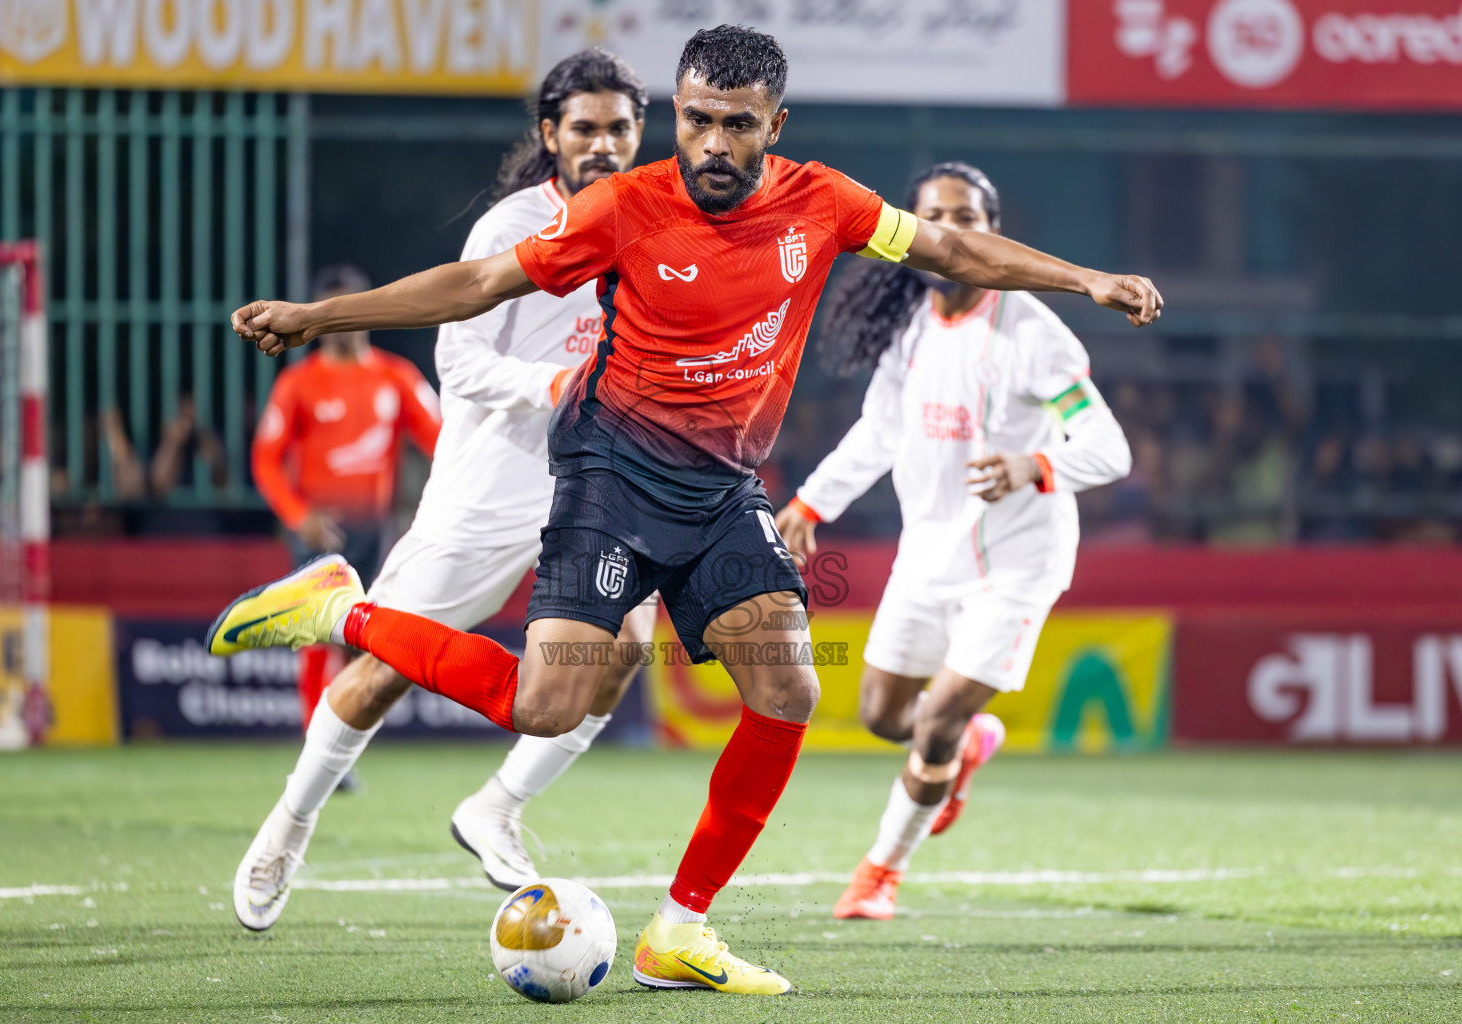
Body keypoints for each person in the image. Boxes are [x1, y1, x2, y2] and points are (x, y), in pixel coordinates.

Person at [210, 26, 1162, 995]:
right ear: (678, 113)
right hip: (611, 479)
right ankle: (341, 609)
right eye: (696, 119)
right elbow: (479, 283)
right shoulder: (627, 204)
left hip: (718, 491)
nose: (711, 142)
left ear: (773, 127)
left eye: (735, 125)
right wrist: (323, 316)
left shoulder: (821, 201)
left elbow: (953, 246)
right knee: (547, 702)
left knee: (789, 688)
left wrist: (1084, 279)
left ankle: (680, 930)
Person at [228, 48, 657, 924]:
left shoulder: (655, 224)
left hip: (593, 493)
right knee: (384, 670)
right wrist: (554, 389)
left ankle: (498, 807)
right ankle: (290, 820)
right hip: (490, 484)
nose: (604, 144)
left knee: (626, 646)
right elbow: (457, 357)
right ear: (551, 135)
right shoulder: (510, 226)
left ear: (639, 133)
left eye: (619, 127)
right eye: (585, 128)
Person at [772, 163, 1134, 921]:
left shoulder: (1033, 334)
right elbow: (879, 431)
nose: (947, 228)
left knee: (934, 721)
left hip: (1015, 564)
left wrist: (1036, 465)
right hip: (929, 554)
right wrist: (811, 502)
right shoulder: (908, 323)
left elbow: (1109, 450)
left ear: (993, 234)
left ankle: (879, 874)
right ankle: (968, 749)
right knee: (880, 715)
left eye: (965, 216)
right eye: (932, 214)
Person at [250, 265, 443, 765]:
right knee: (317, 635)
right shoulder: (298, 384)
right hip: (319, 531)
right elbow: (265, 460)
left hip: (376, 530)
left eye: (353, 305)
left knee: (372, 640)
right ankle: (318, 748)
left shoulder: (397, 378)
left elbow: (443, 442)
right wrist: (298, 516)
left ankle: (345, 743)